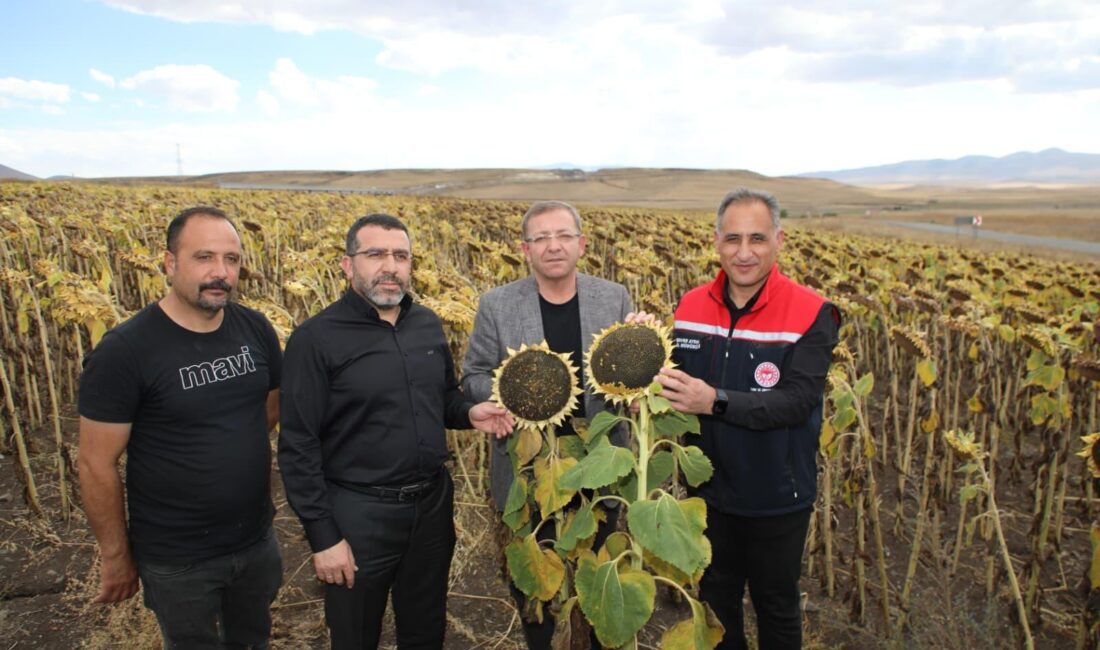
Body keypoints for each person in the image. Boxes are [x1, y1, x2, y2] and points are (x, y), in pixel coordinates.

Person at [278, 213, 513, 650]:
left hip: (431, 506)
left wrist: (469, 413)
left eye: (401, 256)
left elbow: (441, 398)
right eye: (376, 254)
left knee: (425, 628)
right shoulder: (315, 339)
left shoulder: (425, 322)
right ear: (348, 266)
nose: (390, 266)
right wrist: (324, 536)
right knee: (355, 634)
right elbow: (297, 446)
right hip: (359, 512)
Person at [78, 206, 283, 648]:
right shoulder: (125, 351)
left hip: (255, 539)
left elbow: (267, 409)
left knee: (253, 639)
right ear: (170, 263)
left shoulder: (255, 327)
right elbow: (96, 463)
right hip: (178, 556)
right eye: (204, 257)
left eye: (231, 259)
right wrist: (115, 556)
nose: (220, 273)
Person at [655, 188, 840, 650]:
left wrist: (714, 401)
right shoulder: (690, 306)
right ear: (716, 241)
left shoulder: (812, 312)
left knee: (775, 605)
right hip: (709, 492)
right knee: (716, 603)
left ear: (779, 240)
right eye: (732, 239)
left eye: (756, 239)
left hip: (776, 495)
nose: (743, 252)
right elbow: (676, 381)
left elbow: (798, 401)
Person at [461, 200, 633, 649]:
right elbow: (473, 375)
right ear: (525, 249)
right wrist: (509, 397)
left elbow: (633, 372)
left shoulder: (612, 298)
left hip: (599, 465)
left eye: (563, 236)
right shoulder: (497, 305)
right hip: (528, 468)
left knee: (595, 587)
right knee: (536, 588)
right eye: (541, 238)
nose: (553, 246)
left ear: (582, 243)